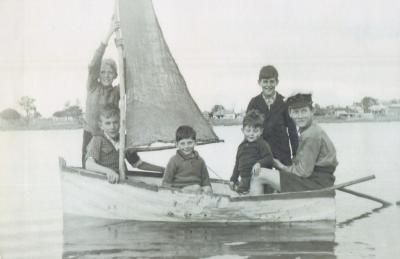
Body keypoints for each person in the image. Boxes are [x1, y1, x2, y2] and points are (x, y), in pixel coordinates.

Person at [250, 92, 338, 194]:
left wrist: (281, 166)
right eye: (296, 112)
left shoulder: (311, 135)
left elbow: (302, 172)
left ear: (312, 111)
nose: (300, 116)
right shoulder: (310, 129)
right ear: (290, 113)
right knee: (273, 179)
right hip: (317, 179)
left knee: (258, 175)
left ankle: (257, 208)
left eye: (304, 111)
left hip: (316, 183)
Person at [85, 105, 165, 184]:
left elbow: (138, 164)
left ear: (120, 123)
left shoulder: (123, 140)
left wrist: (163, 169)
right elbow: (89, 164)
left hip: (123, 181)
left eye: (115, 122)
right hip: (106, 183)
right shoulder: (98, 139)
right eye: (108, 123)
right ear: (101, 125)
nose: (112, 127)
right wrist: (108, 171)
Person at [82, 17, 121, 167]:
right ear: (98, 75)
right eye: (103, 72)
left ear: (115, 75)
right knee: (89, 169)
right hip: (90, 134)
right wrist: (109, 33)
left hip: (109, 135)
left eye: (110, 73)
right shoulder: (93, 86)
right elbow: (93, 64)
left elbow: (128, 76)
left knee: (111, 169)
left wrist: (122, 46)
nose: (106, 75)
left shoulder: (117, 91)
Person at [246, 65, 298, 166]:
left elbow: (292, 131)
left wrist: (295, 154)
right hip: (260, 154)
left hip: (282, 154)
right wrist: (248, 153)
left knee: (287, 180)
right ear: (259, 82)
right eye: (265, 81)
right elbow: (247, 129)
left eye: (271, 81)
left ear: (277, 82)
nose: (268, 85)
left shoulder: (284, 102)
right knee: (260, 180)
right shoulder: (254, 103)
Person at [229, 110, 274, 194]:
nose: (251, 134)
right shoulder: (241, 146)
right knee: (239, 196)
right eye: (248, 130)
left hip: (259, 181)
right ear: (243, 131)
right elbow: (237, 165)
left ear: (261, 131)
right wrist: (233, 179)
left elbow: (269, 159)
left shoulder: (262, 144)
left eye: (255, 131)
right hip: (244, 181)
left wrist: (259, 163)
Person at [161, 125, 213, 194]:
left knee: (207, 189)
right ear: (177, 144)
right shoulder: (174, 160)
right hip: (179, 191)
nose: (186, 146)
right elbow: (165, 183)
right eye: (182, 143)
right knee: (196, 187)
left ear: (195, 142)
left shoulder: (200, 161)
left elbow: (206, 181)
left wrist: (207, 188)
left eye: (190, 143)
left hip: (196, 191)